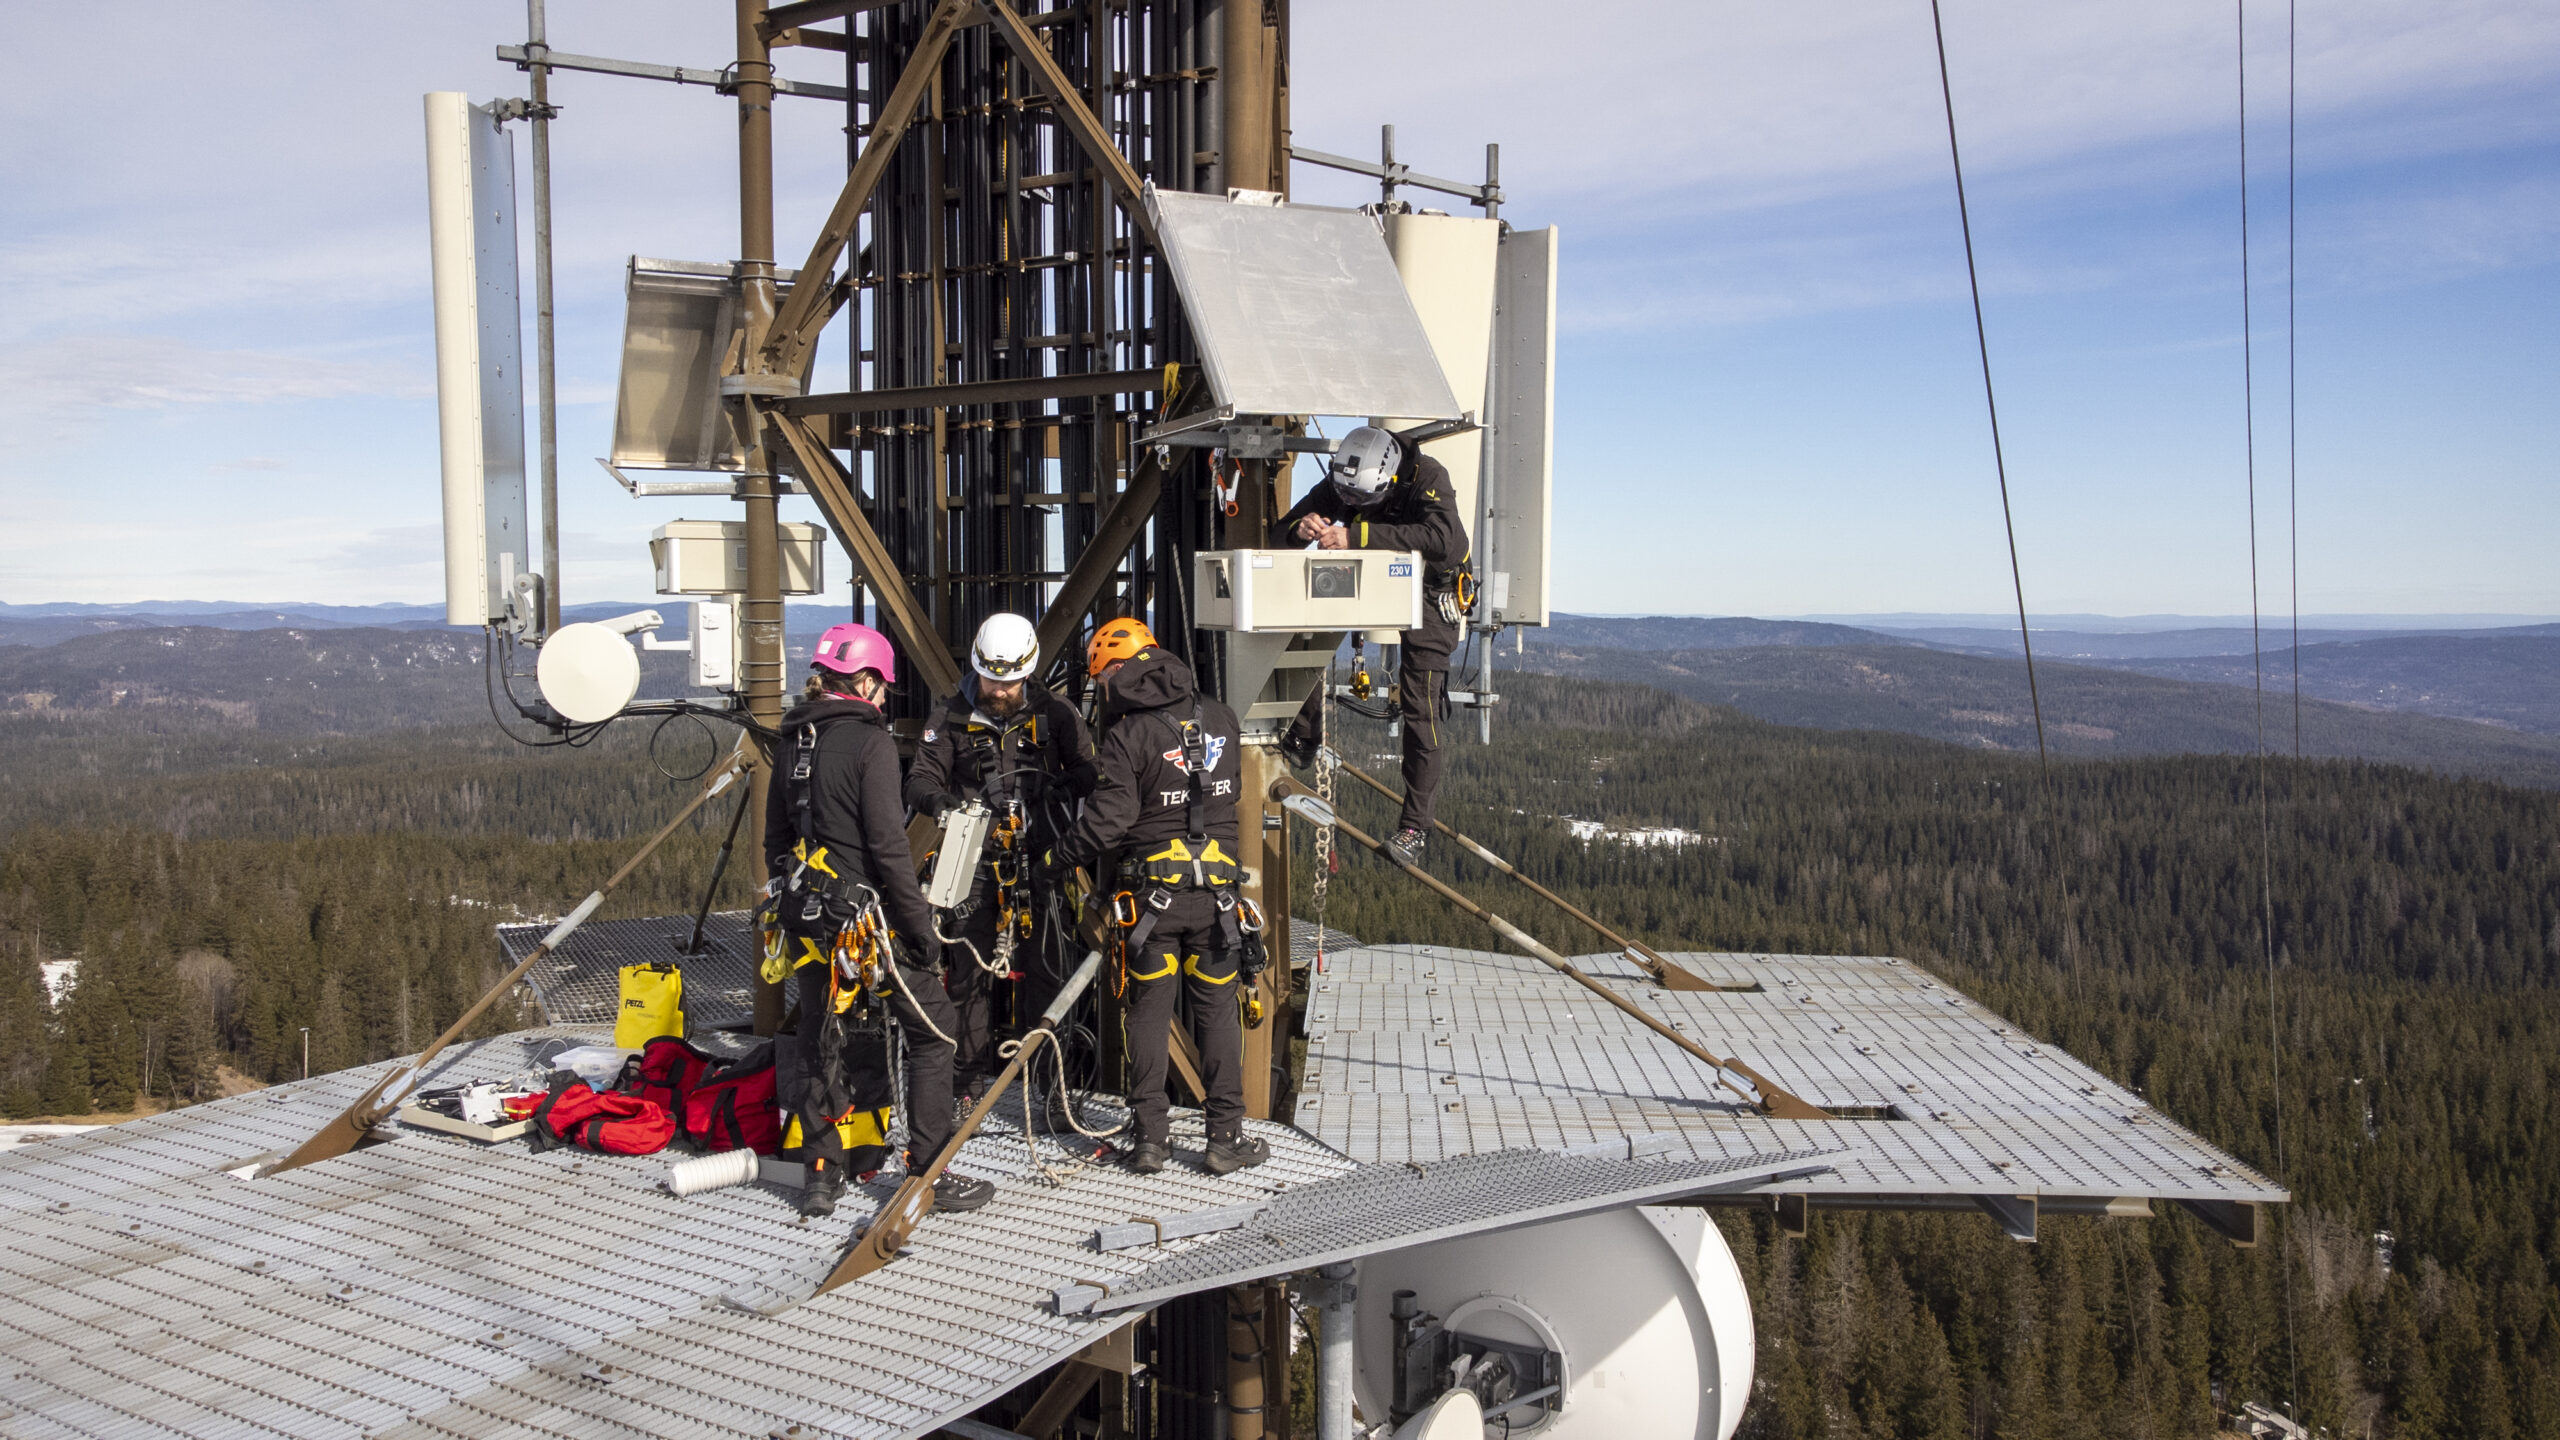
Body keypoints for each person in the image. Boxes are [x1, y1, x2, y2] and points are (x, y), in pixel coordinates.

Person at [764, 622, 995, 1219]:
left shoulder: (793, 739)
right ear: (864, 680)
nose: (885, 697)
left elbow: (776, 841)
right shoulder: (868, 745)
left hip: (809, 917)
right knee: (935, 1030)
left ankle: (821, 1170)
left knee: (820, 1035)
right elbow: (890, 849)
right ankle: (928, 1168)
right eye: (883, 686)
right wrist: (921, 933)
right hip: (864, 920)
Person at [1042, 618, 1269, 1176]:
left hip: (1150, 904)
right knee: (1216, 1013)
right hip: (1216, 900)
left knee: (1147, 1015)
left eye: (1102, 680)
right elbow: (1231, 797)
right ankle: (1225, 1137)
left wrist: (1053, 859)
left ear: (1116, 670)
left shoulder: (1128, 735)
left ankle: (1150, 1142)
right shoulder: (1220, 716)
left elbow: (1108, 824)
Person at [903, 612, 1096, 1102]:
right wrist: (939, 802)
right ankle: (965, 1082)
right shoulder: (950, 716)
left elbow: (1090, 772)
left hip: (1041, 860)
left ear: (1028, 671)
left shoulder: (1056, 714)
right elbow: (920, 778)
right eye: (992, 679)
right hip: (973, 860)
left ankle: (1047, 1080)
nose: (1000, 690)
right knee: (967, 974)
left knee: (1048, 967)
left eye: (1010, 682)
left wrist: (1055, 792)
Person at [1271, 424, 1471, 863]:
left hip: (1430, 591)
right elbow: (1278, 532)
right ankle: (1304, 733)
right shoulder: (1346, 482)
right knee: (1302, 630)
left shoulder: (1426, 478)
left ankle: (1415, 828)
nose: (1352, 507)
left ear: (1389, 480)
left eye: (1364, 503)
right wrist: (1299, 530)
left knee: (1422, 707)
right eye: (1348, 502)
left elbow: (1444, 541)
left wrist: (1358, 535)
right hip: (1369, 574)